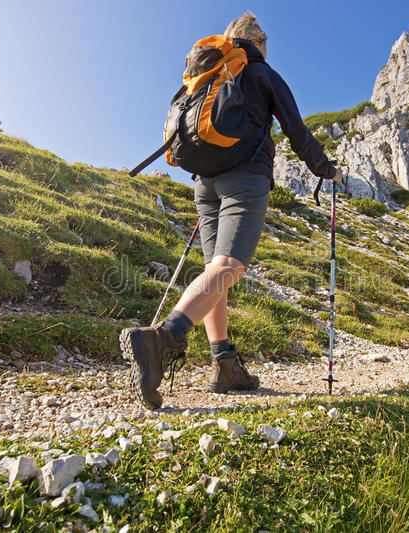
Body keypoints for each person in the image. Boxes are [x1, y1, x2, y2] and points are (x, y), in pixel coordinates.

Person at [120, 12, 343, 410]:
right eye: (266, 45)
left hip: (205, 183)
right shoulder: (260, 72)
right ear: (257, 43)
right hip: (245, 178)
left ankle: (223, 364)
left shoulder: (209, 76)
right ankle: (161, 338)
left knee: (214, 273)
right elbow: (296, 130)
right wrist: (327, 170)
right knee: (229, 268)